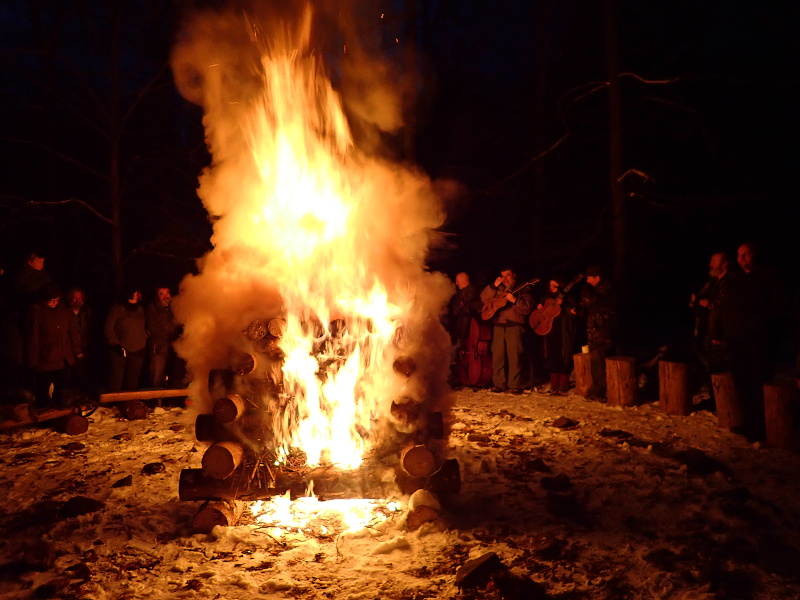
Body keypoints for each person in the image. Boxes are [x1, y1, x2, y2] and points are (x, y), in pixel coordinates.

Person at [25, 283, 82, 408]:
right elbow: (33, 339)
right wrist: (32, 360)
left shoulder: (64, 312)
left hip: (63, 359)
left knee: (62, 389)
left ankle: (60, 411)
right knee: (43, 390)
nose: (54, 303)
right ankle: (44, 411)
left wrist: (76, 351)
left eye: (57, 300)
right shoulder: (36, 313)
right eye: (51, 300)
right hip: (46, 359)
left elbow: (73, 332)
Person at [480, 267, 534, 394]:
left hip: (515, 325)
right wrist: (493, 286)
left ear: (514, 275)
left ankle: (514, 384)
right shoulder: (497, 289)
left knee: (514, 356)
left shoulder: (523, 288)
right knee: (498, 355)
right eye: (503, 276)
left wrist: (515, 300)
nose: (505, 278)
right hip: (499, 324)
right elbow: (483, 298)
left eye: (508, 275)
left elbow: (528, 308)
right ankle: (499, 384)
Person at [535, 278, 578, 395]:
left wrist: (565, 308)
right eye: (550, 285)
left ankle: (563, 382)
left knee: (565, 355)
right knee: (552, 354)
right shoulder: (546, 297)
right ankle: (554, 382)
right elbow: (542, 308)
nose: (551, 288)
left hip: (563, 331)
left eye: (554, 286)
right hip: (551, 331)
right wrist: (540, 307)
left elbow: (573, 312)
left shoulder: (567, 297)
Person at [578, 266, 615, 397]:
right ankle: (598, 389)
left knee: (599, 362)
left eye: (589, 278)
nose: (587, 281)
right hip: (595, 332)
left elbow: (597, 306)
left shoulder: (605, 291)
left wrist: (587, 295)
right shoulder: (596, 292)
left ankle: (601, 391)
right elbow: (590, 309)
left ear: (597, 278)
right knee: (595, 362)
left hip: (603, 333)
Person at [104, 286, 147, 392]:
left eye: (138, 292)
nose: (138, 294)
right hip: (120, 350)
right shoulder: (118, 309)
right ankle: (113, 404)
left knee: (132, 381)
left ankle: (129, 404)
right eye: (135, 292)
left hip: (138, 350)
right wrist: (116, 345)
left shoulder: (140, 309)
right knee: (116, 380)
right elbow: (108, 329)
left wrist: (144, 337)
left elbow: (145, 326)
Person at [145, 286, 179, 388]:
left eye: (167, 293)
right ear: (157, 296)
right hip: (159, 347)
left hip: (174, 347)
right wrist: (169, 335)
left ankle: (171, 400)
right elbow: (154, 328)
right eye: (161, 294)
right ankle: (154, 400)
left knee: (175, 375)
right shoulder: (152, 308)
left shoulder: (174, 307)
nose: (165, 296)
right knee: (157, 375)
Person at [65, 287, 92, 392]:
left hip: (84, 347)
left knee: (82, 375)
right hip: (69, 349)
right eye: (75, 299)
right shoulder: (65, 313)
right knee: (68, 375)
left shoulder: (87, 312)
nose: (78, 301)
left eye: (80, 299)